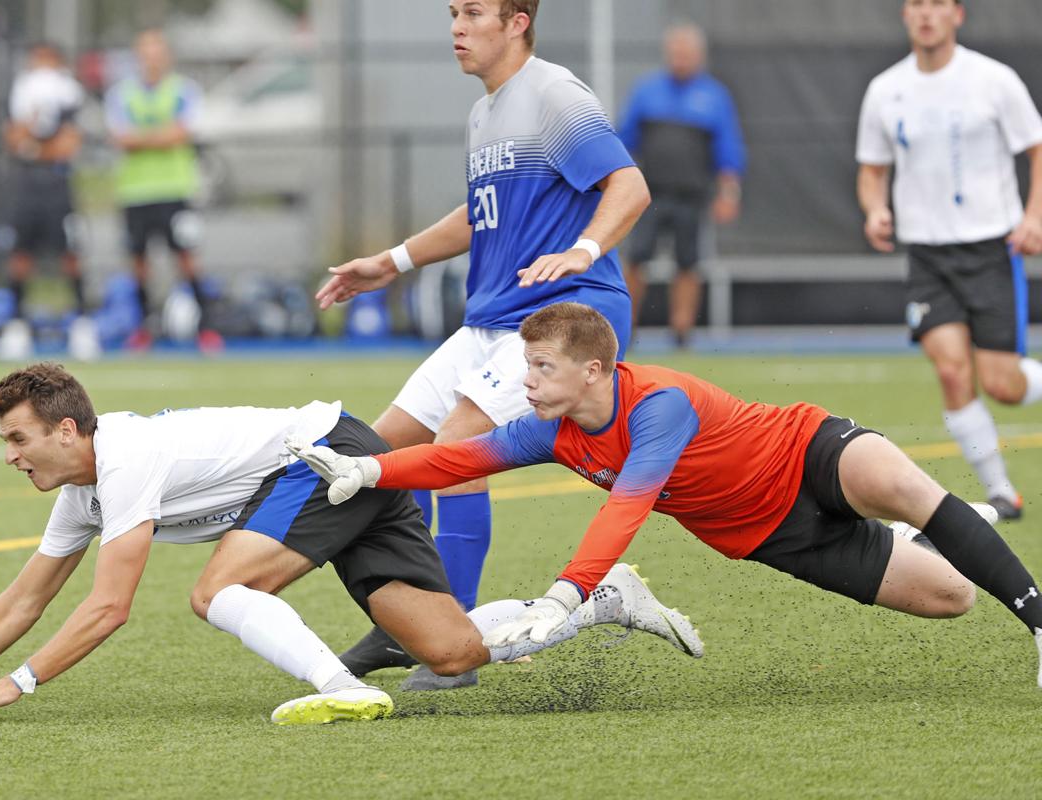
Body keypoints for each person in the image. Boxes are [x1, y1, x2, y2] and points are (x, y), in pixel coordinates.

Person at [0, 362, 700, 725]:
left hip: (329, 458)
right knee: (450, 651)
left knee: (215, 591)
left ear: (67, 428)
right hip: (343, 470)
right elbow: (25, 597)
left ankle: (343, 689)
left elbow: (110, 608)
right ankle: (605, 600)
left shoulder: (125, 460)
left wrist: (21, 684)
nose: (10, 458)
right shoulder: (77, 489)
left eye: (17, 440)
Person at [289, 302, 1042, 688]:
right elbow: (459, 458)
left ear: (593, 372)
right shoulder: (552, 429)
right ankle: (928, 542)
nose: (527, 383)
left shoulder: (659, 407)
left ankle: (1038, 621)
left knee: (900, 484)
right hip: (776, 536)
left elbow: (628, 506)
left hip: (806, 453)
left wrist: (564, 594)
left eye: (542, 368)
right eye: (528, 367)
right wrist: (374, 471)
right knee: (952, 597)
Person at [316, 0, 650, 685]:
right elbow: (483, 213)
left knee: (455, 446)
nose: (456, 28)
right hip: (490, 322)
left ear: (519, 20)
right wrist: (393, 261)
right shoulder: (484, 111)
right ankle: (401, 621)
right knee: (375, 456)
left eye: (472, 13)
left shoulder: (554, 94)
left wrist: (585, 250)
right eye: (453, 14)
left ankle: (448, 640)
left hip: (560, 315)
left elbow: (630, 185)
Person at [856, 0, 1042, 521]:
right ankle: (1002, 493)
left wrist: (1034, 215)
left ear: (957, 15)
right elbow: (872, 170)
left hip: (990, 249)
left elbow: (1036, 147)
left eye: (938, 4)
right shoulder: (885, 90)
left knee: (1003, 384)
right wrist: (875, 209)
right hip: (926, 256)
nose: (926, 14)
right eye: (916, 4)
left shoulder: (994, 80)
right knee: (953, 371)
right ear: (905, 15)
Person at [616, 22, 746, 349]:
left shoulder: (714, 96)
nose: (681, 59)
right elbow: (623, 140)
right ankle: (624, 328)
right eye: (676, 53)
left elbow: (728, 151)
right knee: (636, 260)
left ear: (699, 56)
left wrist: (728, 193)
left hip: (692, 196)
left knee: (688, 264)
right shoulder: (646, 91)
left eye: (687, 54)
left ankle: (682, 331)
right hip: (648, 196)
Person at [104, 29, 221, 354]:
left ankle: (207, 328)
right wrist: (160, 135)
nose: (152, 60)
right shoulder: (121, 94)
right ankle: (143, 329)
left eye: (157, 53)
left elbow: (181, 134)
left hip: (175, 189)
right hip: (135, 192)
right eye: (146, 54)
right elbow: (121, 138)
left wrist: (143, 138)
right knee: (139, 263)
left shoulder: (183, 91)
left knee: (186, 260)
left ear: (166, 57)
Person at [0, 42, 98, 361]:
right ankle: (17, 325)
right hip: (27, 188)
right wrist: (31, 138)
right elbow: (14, 139)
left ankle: (80, 324)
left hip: (58, 187)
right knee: (20, 254)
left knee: (70, 254)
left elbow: (68, 144)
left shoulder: (69, 96)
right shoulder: (19, 94)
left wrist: (35, 148)